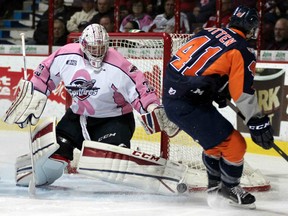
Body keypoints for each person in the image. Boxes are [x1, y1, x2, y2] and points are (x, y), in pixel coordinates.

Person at [3, 24, 182, 195]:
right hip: (77, 119)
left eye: (101, 47)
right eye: (93, 48)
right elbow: (44, 74)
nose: (98, 52)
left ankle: (121, 151)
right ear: (83, 45)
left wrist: (152, 107)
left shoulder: (118, 64)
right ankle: (42, 170)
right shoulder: (66, 55)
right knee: (55, 151)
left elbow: (139, 89)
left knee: (110, 155)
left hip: (113, 121)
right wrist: (32, 96)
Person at [162, 6, 274, 208]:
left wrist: (213, 89)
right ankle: (230, 188)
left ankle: (215, 187)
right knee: (235, 145)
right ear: (252, 28)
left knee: (215, 144)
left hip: (175, 94)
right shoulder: (242, 50)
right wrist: (258, 122)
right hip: (188, 103)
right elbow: (243, 94)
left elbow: (188, 63)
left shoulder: (209, 30)